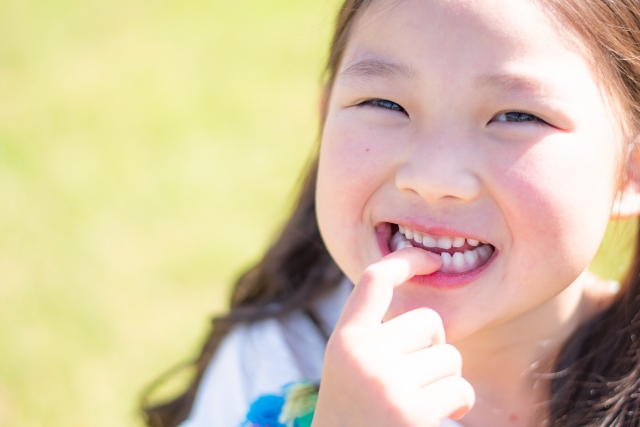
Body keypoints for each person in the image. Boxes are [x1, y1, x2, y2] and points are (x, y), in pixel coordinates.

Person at [143, 0, 640, 425]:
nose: (432, 177)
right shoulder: (276, 356)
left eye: (516, 116)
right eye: (384, 103)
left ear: (629, 172)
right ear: (325, 126)